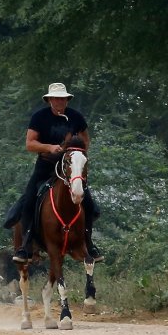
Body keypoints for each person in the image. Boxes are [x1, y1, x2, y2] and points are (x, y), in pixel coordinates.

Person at [10, 82, 103, 264]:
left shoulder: (76, 117)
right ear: (50, 99)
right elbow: (30, 143)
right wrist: (49, 147)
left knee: (89, 203)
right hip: (46, 165)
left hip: (69, 167)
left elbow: (85, 139)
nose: (60, 101)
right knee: (28, 201)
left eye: (63, 98)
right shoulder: (39, 117)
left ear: (67, 100)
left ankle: (89, 243)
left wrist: (78, 154)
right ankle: (26, 246)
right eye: (56, 98)